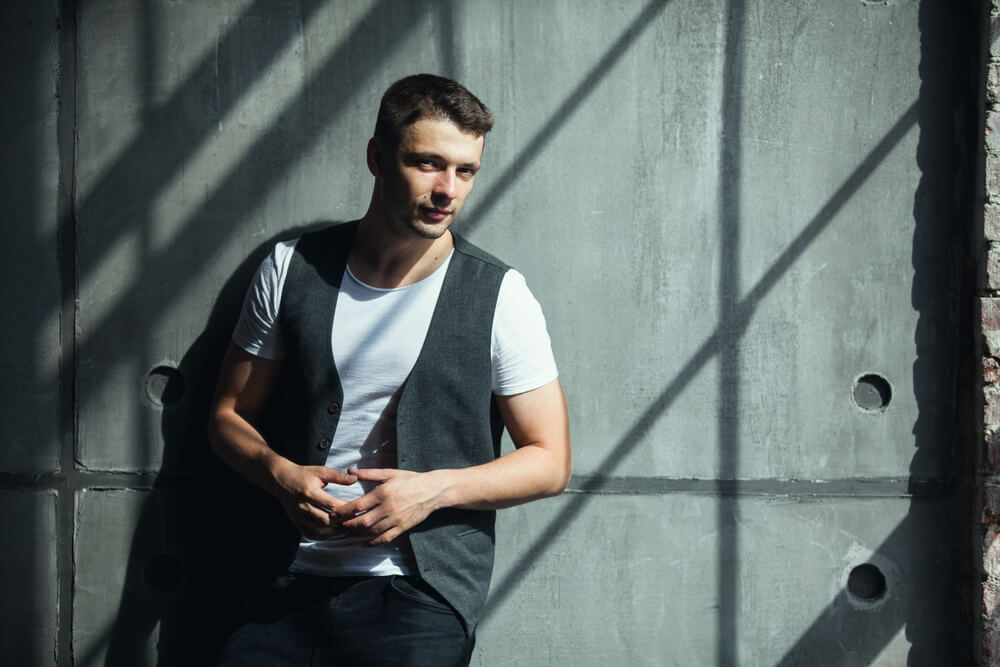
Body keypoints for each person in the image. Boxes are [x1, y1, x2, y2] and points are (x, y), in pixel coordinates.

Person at [208, 73, 572, 666]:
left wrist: (431, 491)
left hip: (420, 597)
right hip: (277, 581)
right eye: (428, 164)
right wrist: (277, 475)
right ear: (378, 158)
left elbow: (550, 461)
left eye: (465, 170)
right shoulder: (291, 268)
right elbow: (228, 415)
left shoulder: (500, 295)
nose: (447, 190)